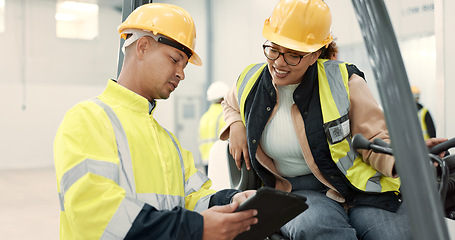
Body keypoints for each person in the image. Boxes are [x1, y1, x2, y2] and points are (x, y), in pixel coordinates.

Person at [219, 0, 446, 239]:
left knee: (394, 234)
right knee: (323, 230)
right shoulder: (249, 80)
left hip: (357, 188)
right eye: (273, 49)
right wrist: (236, 124)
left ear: (315, 54)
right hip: (297, 190)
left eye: (293, 55)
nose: (278, 62)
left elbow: (374, 138)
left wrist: (405, 157)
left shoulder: (345, 82)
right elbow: (230, 103)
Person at [53, 3, 257, 240]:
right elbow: (96, 216)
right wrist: (194, 228)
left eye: (184, 65)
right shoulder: (88, 119)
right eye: (174, 59)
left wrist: (230, 200)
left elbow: (194, 198)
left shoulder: (168, 142)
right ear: (142, 47)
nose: (181, 73)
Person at [198, 81, 230, 174]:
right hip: (221, 160)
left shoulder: (204, 117)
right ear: (223, 98)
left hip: (206, 160)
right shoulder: (225, 115)